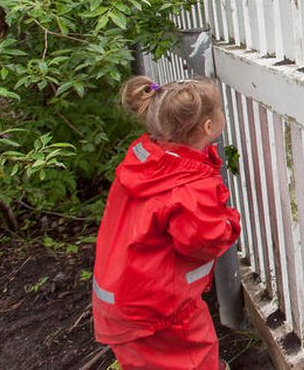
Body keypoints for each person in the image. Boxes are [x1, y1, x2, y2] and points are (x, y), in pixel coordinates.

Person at [92, 76, 241, 370]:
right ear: (209, 128)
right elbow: (204, 242)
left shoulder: (149, 159)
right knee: (193, 358)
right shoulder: (189, 188)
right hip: (159, 310)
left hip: (125, 296)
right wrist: (230, 221)